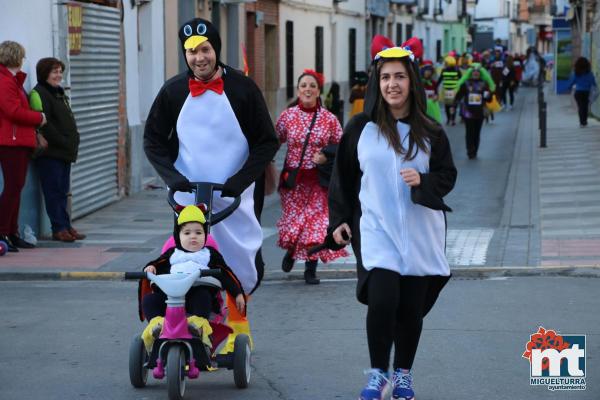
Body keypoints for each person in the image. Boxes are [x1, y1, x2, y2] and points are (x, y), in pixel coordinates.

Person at [327, 47, 456, 400]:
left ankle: (403, 374)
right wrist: (338, 219)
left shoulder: (431, 131)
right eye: (385, 77)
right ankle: (379, 373)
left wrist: (424, 182)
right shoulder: (361, 128)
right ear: (376, 83)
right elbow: (344, 178)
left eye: (399, 76)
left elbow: (448, 175)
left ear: (411, 82)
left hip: (420, 232)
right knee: (382, 301)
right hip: (377, 230)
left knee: (411, 309)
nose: (392, 84)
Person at [144, 18, 279, 351]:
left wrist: (239, 181)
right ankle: (193, 323)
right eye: (191, 52)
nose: (198, 58)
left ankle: (237, 327)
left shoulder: (244, 88)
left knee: (239, 262)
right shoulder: (173, 91)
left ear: (216, 50)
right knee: (188, 260)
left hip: (235, 195)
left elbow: (266, 141)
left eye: (204, 50)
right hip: (189, 197)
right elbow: (152, 141)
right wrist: (173, 180)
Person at [276, 69, 348, 284]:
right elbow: (273, 140)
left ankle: (310, 268)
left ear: (318, 92)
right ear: (298, 90)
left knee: (316, 224)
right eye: (303, 86)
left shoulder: (329, 119)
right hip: (294, 181)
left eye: (312, 86)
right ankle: (290, 252)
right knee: (295, 224)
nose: (308, 89)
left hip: (320, 180)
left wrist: (326, 156)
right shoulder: (287, 116)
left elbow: (342, 146)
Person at [139, 205, 245, 349]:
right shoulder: (172, 254)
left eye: (198, 232)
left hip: (196, 298)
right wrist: (151, 267)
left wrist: (237, 293)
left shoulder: (210, 254)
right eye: (187, 233)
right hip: (170, 299)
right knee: (150, 300)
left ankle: (198, 325)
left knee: (202, 296)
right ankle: (157, 324)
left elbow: (225, 273)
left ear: (205, 235)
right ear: (178, 236)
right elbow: (158, 263)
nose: (193, 236)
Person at [29, 57, 85, 242]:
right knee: (53, 192)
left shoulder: (59, 93)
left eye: (60, 71)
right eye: (54, 72)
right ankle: (58, 228)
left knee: (62, 191)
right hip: (51, 153)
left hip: (63, 152)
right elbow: (44, 123)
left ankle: (66, 226)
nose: (58, 75)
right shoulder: (39, 93)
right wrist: (62, 141)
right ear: (44, 73)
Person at [0, 41, 46, 252]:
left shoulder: (12, 80)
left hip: (17, 141)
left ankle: (12, 232)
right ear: (16, 57)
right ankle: (3, 232)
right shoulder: (4, 81)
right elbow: (13, 112)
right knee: (12, 188)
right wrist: (39, 118)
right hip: (11, 142)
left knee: (15, 188)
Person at [455, 63, 492, 159]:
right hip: (468, 112)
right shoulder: (466, 83)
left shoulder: (484, 84)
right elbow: (459, 95)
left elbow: (489, 99)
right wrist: (454, 104)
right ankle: (470, 151)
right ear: (471, 73)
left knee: (477, 133)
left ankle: (475, 150)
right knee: (469, 133)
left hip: (479, 112)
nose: (476, 73)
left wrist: (488, 95)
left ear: (480, 73)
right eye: (474, 72)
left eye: (477, 72)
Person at [566, 57, 598, 127]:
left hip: (578, 92)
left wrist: (568, 88)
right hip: (586, 92)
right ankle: (584, 122)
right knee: (585, 107)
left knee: (580, 107)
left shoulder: (576, 73)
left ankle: (582, 122)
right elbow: (593, 83)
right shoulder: (589, 73)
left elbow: (571, 82)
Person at [436, 55, 461, 125]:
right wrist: (435, 86)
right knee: (447, 105)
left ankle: (452, 119)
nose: (445, 64)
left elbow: (460, 80)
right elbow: (440, 79)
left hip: (454, 91)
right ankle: (448, 119)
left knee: (453, 105)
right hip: (446, 90)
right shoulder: (444, 70)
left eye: (446, 63)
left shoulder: (457, 70)